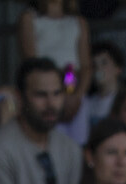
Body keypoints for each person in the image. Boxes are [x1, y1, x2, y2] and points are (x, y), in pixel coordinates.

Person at [19, 0, 89, 128]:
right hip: (45, 91)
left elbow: (86, 66)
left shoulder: (78, 21)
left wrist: (76, 96)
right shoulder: (30, 18)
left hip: (73, 87)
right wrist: (57, 92)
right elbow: (31, 62)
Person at [76, 39, 126, 146]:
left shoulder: (125, 100)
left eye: (104, 63)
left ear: (118, 68)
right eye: (94, 65)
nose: (99, 68)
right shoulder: (87, 102)